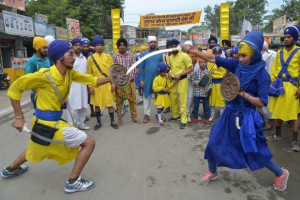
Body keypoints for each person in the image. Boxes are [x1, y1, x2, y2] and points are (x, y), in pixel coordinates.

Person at [182, 30, 289, 192]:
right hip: (230, 113)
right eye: (239, 55)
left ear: (254, 54)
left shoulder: (262, 75)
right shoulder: (236, 64)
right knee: (213, 143)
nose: (240, 59)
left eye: (244, 56)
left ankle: (281, 173)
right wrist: (191, 50)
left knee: (255, 151)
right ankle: (212, 171)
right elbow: (211, 58)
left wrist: (241, 93)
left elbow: (261, 102)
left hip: (247, 118)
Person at [1, 40, 111, 193]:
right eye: (70, 54)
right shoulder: (44, 75)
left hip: (48, 123)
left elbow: (92, 80)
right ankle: (72, 182)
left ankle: (10, 169)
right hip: (47, 125)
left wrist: (111, 78)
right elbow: (15, 88)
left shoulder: (69, 73)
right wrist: (19, 117)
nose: (74, 57)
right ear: (59, 57)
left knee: (35, 147)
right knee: (89, 142)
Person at [267, 25, 300, 152]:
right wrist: (274, 82)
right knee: (277, 110)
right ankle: (277, 134)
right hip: (278, 86)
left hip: (292, 87)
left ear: (295, 38)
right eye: (285, 37)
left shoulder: (299, 52)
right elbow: (274, 69)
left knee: (294, 114)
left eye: (289, 37)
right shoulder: (279, 53)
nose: (286, 39)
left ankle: (295, 141)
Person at [87, 35, 119, 130]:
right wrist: (90, 86)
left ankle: (112, 121)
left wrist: (113, 84)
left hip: (107, 83)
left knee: (109, 104)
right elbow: (89, 74)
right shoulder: (90, 58)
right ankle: (98, 122)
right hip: (96, 84)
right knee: (97, 105)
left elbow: (112, 71)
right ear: (94, 46)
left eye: (101, 45)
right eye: (97, 45)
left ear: (103, 46)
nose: (99, 47)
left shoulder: (108, 57)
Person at [112, 38, 139, 125]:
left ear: (126, 46)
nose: (122, 47)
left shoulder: (130, 56)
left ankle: (134, 117)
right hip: (119, 83)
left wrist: (128, 78)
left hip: (130, 82)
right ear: (118, 47)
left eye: (123, 45)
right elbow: (114, 70)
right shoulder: (115, 57)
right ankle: (120, 118)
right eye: (120, 45)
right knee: (119, 101)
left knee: (132, 100)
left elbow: (133, 68)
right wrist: (118, 80)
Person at [168, 39, 193, 129]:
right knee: (173, 99)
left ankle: (183, 119)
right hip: (173, 81)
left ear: (178, 46)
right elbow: (171, 68)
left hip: (182, 80)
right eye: (171, 47)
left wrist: (180, 74)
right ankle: (175, 116)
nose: (173, 48)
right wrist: (169, 73)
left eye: (175, 46)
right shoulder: (170, 57)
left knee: (182, 101)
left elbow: (190, 69)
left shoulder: (184, 56)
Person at [139, 36, 163, 123]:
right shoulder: (144, 54)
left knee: (158, 97)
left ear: (156, 43)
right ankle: (146, 114)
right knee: (146, 97)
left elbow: (162, 67)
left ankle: (158, 113)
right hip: (147, 79)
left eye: (154, 42)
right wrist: (141, 80)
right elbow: (141, 68)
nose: (153, 43)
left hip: (158, 79)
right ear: (148, 44)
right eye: (151, 42)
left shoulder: (160, 54)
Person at [67, 38, 90, 130]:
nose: (78, 47)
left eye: (79, 45)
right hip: (73, 86)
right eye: (76, 45)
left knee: (83, 105)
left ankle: (81, 123)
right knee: (73, 107)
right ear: (72, 47)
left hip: (83, 86)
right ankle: (71, 126)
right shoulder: (70, 58)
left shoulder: (84, 58)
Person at [26, 37, 51, 108]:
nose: (46, 50)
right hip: (37, 94)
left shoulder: (47, 59)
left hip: (48, 92)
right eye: (44, 48)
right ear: (37, 49)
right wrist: (36, 93)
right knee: (40, 115)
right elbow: (28, 79)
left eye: (47, 48)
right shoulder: (32, 61)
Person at [208, 45, 227, 121]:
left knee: (221, 100)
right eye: (215, 53)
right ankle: (212, 115)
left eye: (219, 53)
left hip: (221, 84)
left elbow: (224, 74)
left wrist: (215, 74)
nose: (217, 55)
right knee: (212, 100)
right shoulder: (210, 62)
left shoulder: (224, 61)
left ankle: (222, 116)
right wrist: (218, 74)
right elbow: (210, 73)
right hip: (212, 84)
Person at [190, 58, 212, 126]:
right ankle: (195, 117)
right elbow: (192, 80)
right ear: (199, 64)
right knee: (196, 106)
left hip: (205, 93)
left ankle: (207, 119)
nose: (203, 63)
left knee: (206, 106)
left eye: (204, 62)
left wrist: (208, 90)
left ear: (206, 64)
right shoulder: (196, 72)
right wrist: (197, 83)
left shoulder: (208, 72)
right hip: (197, 92)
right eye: (201, 62)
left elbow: (210, 82)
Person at [80, 37, 95, 117]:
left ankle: (92, 111)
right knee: (82, 97)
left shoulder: (91, 55)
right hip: (81, 79)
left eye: (87, 46)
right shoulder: (79, 55)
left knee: (91, 96)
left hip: (90, 78)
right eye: (84, 46)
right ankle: (83, 115)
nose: (86, 48)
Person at [184, 41, 198, 123]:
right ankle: (187, 115)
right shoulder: (184, 57)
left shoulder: (196, 57)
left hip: (196, 84)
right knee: (189, 98)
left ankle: (193, 113)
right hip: (187, 82)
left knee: (194, 99)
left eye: (189, 46)